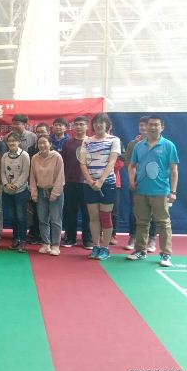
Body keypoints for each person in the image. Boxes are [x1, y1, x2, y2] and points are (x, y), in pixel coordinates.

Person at [127, 115, 179, 267]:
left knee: (163, 223)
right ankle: (140, 251)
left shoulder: (168, 145)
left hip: (161, 191)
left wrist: (173, 192)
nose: (152, 127)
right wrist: (131, 181)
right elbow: (132, 165)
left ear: (162, 127)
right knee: (142, 222)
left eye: (156, 125)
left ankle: (166, 254)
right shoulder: (139, 146)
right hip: (141, 190)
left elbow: (174, 170)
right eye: (150, 124)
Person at [79, 112, 121, 261]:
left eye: (101, 122)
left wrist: (101, 181)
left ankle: (105, 248)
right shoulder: (86, 141)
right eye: (96, 122)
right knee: (93, 217)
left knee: (105, 217)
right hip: (89, 185)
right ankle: (96, 246)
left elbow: (112, 162)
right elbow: (82, 163)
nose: (98, 125)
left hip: (107, 183)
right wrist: (90, 181)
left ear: (107, 125)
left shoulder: (114, 140)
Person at [124, 116, 157, 252]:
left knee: (153, 210)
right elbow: (128, 163)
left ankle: (152, 239)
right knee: (134, 210)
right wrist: (132, 180)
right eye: (141, 125)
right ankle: (133, 237)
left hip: (154, 182)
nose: (143, 128)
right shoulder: (133, 144)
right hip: (137, 181)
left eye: (146, 125)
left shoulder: (158, 143)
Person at [60, 116, 92, 249]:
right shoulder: (67, 143)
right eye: (76, 124)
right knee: (70, 211)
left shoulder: (92, 142)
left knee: (88, 212)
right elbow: (63, 163)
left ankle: (88, 239)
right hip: (70, 182)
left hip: (87, 183)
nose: (78, 127)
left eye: (81, 124)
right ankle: (70, 238)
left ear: (87, 126)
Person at [30, 135, 65, 256]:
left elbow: (60, 177)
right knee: (42, 219)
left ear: (50, 144)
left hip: (55, 191)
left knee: (55, 220)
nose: (42, 145)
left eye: (44, 142)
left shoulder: (57, 157)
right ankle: (45, 244)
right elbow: (32, 177)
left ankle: (55, 245)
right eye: (39, 143)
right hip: (40, 191)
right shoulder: (35, 158)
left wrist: (55, 193)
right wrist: (34, 193)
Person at [1, 132, 31, 252]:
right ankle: (16, 239)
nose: (11, 143)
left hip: (20, 191)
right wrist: (6, 184)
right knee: (13, 217)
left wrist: (16, 185)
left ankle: (23, 240)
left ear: (19, 142)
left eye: (14, 140)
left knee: (21, 216)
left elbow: (25, 172)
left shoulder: (24, 155)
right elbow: (2, 172)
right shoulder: (5, 156)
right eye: (9, 141)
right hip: (7, 190)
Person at [26, 122, 49, 242]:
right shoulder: (31, 149)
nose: (40, 134)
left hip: (49, 185)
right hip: (35, 183)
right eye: (38, 132)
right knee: (35, 210)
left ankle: (47, 236)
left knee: (48, 212)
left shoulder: (53, 150)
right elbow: (30, 169)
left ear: (48, 133)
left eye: (43, 131)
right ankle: (35, 233)